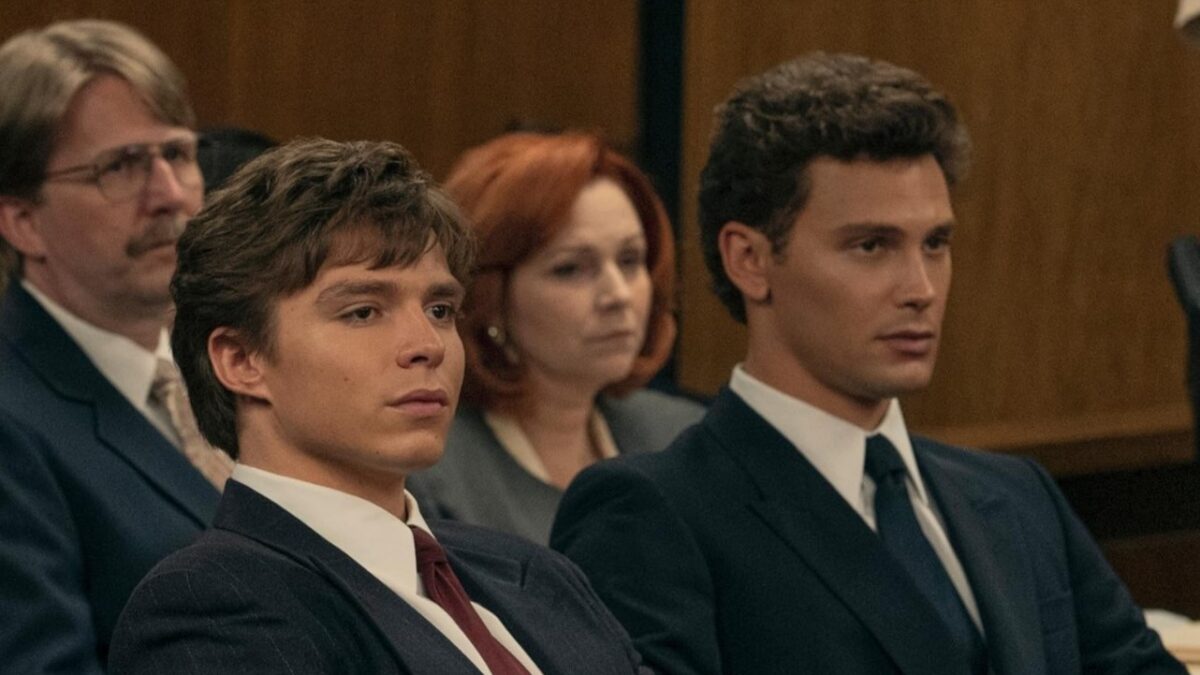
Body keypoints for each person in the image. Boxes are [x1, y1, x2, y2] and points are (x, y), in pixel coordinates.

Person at [550, 52, 1185, 675]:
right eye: (872, 246)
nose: (921, 289)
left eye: (935, 243)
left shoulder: (1015, 495)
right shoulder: (653, 514)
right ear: (750, 260)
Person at [108, 138, 647, 675]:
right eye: (363, 312)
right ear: (241, 359)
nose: (428, 345)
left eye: (440, 309)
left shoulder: (536, 571)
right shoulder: (212, 604)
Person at [0, 20, 227, 673]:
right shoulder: (12, 424)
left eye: (178, 154)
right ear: (22, 221)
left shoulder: (243, 361)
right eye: (121, 167)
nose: (169, 196)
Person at [407, 132, 704, 544]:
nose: (618, 295)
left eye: (630, 260)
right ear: (488, 298)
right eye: (570, 269)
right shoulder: (430, 471)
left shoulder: (683, 438)